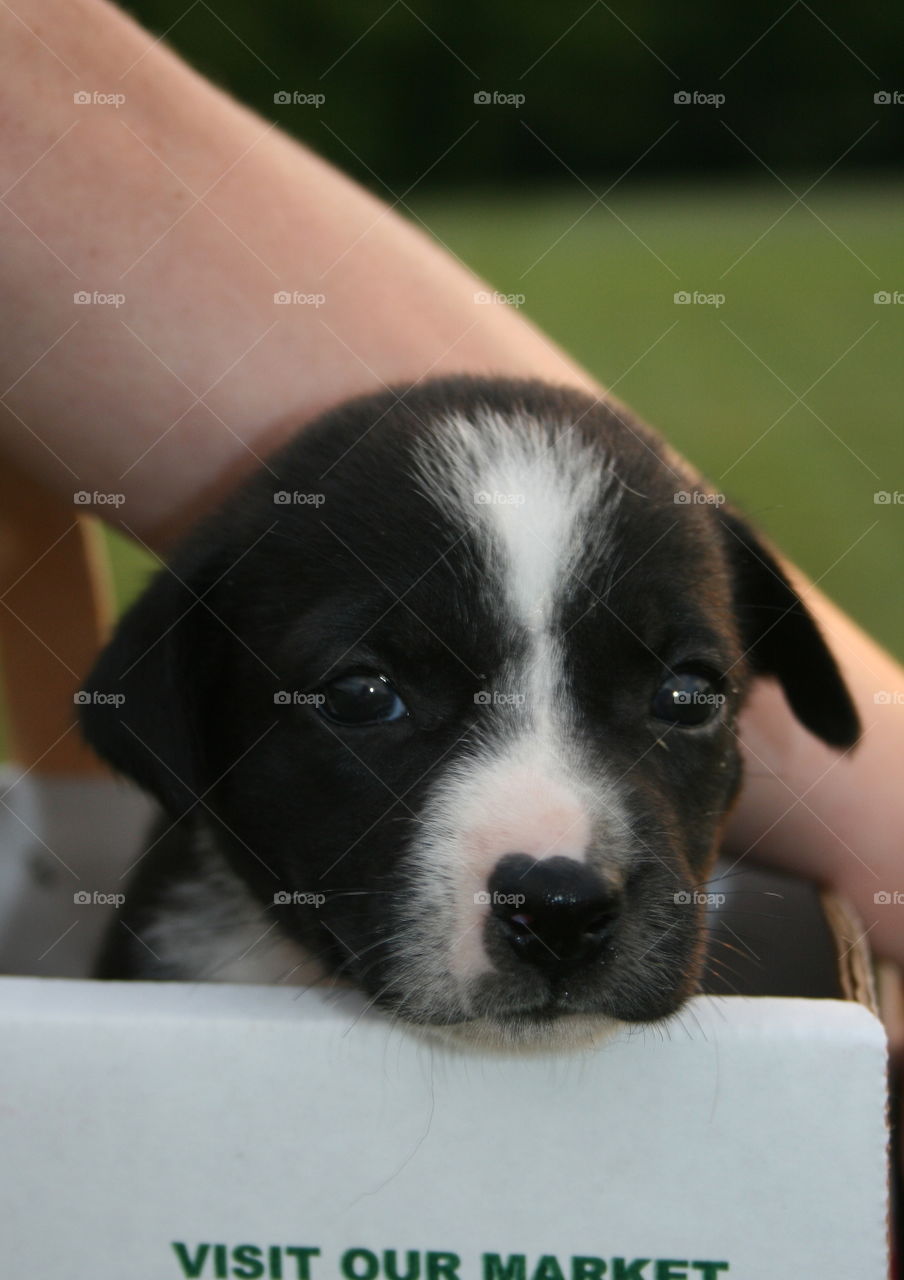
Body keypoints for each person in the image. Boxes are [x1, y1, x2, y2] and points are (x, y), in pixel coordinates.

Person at [1, 0, 902, 981]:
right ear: (183, 712)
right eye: (366, 694)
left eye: (683, 696)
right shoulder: (167, 975)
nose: (566, 872)